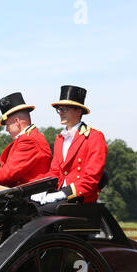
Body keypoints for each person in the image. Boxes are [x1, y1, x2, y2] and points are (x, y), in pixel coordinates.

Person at [32, 85, 108, 215]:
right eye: (59, 109)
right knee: (26, 208)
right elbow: (55, 172)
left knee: (41, 212)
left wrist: (63, 193)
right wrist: (41, 189)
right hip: (60, 194)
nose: (61, 112)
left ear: (78, 111)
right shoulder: (60, 139)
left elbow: (91, 179)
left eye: (65, 109)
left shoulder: (94, 137)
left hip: (80, 198)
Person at [0, 92, 52, 187]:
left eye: (7, 125)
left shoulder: (28, 140)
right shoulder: (30, 137)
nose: (6, 129)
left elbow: (9, 173)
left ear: (17, 121)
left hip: (28, 195)